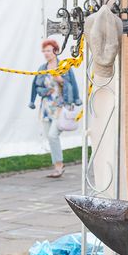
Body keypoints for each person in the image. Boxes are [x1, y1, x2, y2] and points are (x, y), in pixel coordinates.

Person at [28, 39, 81, 178]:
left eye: (48, 50)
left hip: (61, 107)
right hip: (46, 108)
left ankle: (59, 166)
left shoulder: (64, 66)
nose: (46, 53)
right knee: (50, 137)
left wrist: (61, 81)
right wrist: (45, 91)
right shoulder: (42, 68)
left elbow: (72, 84)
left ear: (55, 51)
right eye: (44, 51)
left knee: (53, 135)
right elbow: (36, 86)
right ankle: (57, 166)